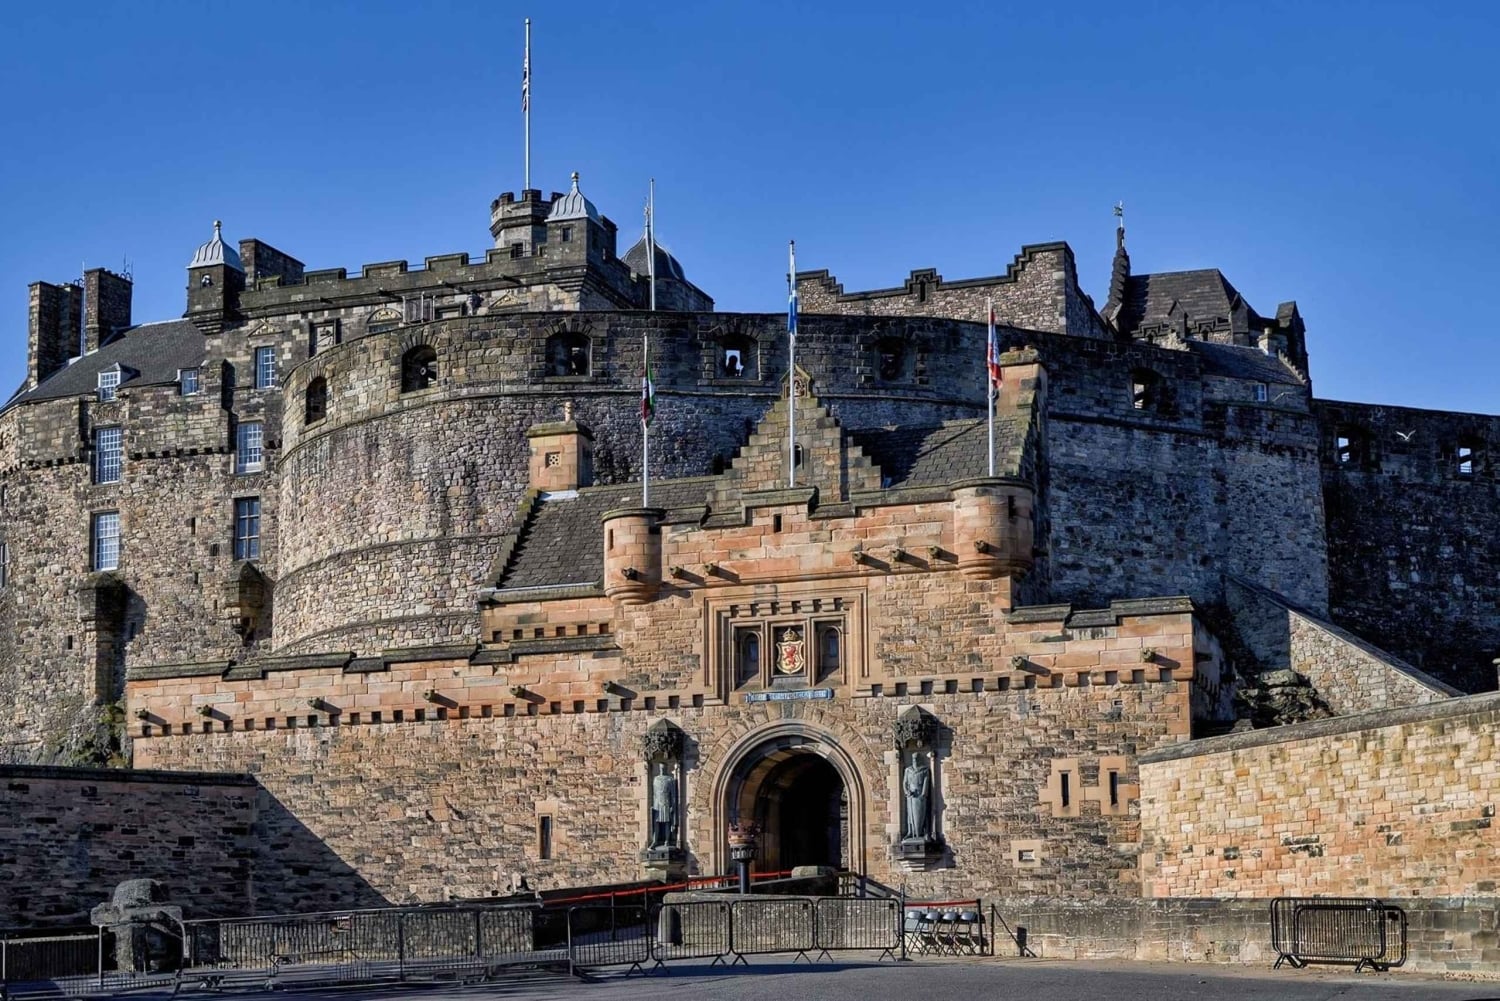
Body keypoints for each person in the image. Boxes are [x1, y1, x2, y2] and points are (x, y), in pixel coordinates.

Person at [903, 754, 931, 840]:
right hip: (910, 796)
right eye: (913, 759)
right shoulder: (908, 770)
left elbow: (926, 782)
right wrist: (907, 791)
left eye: (916, 759)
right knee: (910, 815)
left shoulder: (924, 770)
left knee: (921, 814)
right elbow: (905, 783)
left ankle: (923, 832)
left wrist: (923, 794)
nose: (915, 760)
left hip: (920, 796)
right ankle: (910, 832)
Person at [651, 765, 678, 848]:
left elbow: (673, 794)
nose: (662, 769)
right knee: (656, 823)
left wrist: (673, 805)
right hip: (657, 804)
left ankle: (667, 840)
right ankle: (655, 841)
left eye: (663, 768)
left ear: (666, 768)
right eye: (660, 768)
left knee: (667, 822)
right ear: (659, 769)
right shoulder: (655, 779)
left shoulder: (670, 779)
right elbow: (654, 793)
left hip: (666, 803)